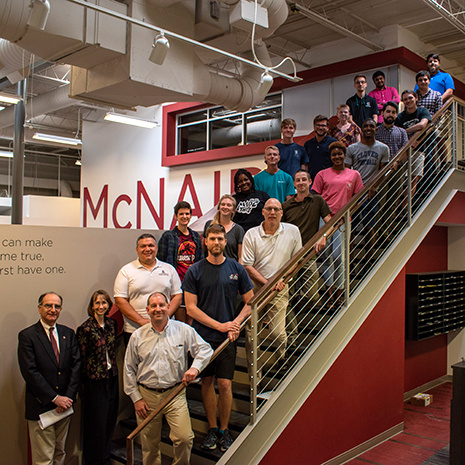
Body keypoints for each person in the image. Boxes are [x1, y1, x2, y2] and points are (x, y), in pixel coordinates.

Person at [183, 223, 254, 452]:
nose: (216, 243)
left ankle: (224, 431)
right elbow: (191, 309)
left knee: (225, 384)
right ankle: (212, 429)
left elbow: (250, 301)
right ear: (205, 241)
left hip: (228, 339)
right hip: (202, 338)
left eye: (220, 239)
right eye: (212, 239)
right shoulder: (195, 270)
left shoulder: (236, 268)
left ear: (225, 242)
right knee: (206, 382)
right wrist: (220, 325)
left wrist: (235, 324)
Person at [124, 292, 213, 465]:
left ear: (168, 307)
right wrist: (136, 399)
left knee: (184, 438)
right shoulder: (137, 336)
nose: (158, 309)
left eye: (162, 305)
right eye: (154, 306)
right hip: (146, 397)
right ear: (147, 310)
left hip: (175, 394)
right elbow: (128, 369)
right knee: (149, 445)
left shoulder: (183, 330)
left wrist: (195, 368)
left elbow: (205, 349)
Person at [18, 292, 81, 465]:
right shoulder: (27, 336)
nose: (53, 310)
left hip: (65, 407)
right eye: (48, 305)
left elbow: (76, 367)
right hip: (42, 407)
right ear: (39, 308)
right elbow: (30, 372)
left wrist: (67, 397)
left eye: (57, 306)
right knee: (43, 458)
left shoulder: (68, 334)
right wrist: (55, 399)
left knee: (60, 453)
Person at [242, 198, 302, 375]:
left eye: (276, 209)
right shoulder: (251, 234)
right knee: (251, 333)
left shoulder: (292, 231)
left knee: (277, 333)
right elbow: (247, 264)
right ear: (263, 211)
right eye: (268, 209)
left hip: (279, 288)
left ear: (282, 213)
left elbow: (296, 260)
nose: (272, 212)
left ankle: (282, 357)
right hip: (255, 289)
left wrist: (283, 279)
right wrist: (267, 282)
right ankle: (256, 372)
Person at [313, 142, 364, 301]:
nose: (337, 157)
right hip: (324, 221)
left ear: (345, 155)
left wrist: (347, 215)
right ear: (330, 157)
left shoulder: (354, 175)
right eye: (334, 154)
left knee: (339, 256)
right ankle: (329, 291)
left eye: (340, 154)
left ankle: (340, 290)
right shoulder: (322, 174)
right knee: (326, 256)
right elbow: (315, 199)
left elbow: (358, 200)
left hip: (343, 220)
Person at [282, 170, 331, 330]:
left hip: (308, 253)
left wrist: (323, 235)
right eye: (298, 180)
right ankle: (292, 331)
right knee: (284, 294)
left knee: (312, 295)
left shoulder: (317, 200)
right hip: (288, 256)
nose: (301, 182)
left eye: (304, 179)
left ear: (310, 182)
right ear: (294, 184)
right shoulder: (286, 206)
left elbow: (330, 222)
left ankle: (294, 303)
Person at [114, 233, 182, 343]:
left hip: (166, 329)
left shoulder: (169, 269)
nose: (147, 249)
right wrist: (141, 320)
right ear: (137, 249)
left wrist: (163, 317)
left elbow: (177, 297)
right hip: (135, 330)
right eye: (143, 246)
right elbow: (120, 300)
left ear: (156, 248)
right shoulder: (126, 271)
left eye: (151, 245)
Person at [77, 290, 118, 465]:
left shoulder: (112, 324)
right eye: (97, 303)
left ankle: (106, 455)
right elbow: (81, 357)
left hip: (112, 377)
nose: (101, 306)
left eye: (104, 303)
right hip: (94, 381)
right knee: (96, 423)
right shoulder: (85, 328)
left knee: (110, 418)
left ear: (108, 305)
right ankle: (95, 460)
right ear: (92, 306)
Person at [345, 119, 389, 250]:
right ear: (361, 129)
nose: (368, 128)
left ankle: (370, 259)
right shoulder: (352, 148)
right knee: (351, 227)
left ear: (376, 129)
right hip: (355, 194)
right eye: (365, 126)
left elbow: (383, 171)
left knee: (370, 226)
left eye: (371, 126)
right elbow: (347, 171)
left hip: (372, 193)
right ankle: (350, 260)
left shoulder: (383, 148)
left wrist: (374, 187)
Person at [395, 90, 431, 196]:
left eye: (410, 98)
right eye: (405, 99)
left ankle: (405, 208)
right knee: (400, 180)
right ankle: (400, 208)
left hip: (419, 149)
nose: (408, 101)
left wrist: (405, 131)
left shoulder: (422, 111)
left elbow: (422, 125)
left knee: (414, 179)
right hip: (405, 151)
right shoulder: (400, 117)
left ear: (416, 98)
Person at [157, 201, 204, 282]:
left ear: (190, 216)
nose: (184, 216)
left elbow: (200, 261)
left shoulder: (196, 236)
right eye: (181, 214)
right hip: (174, 282)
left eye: (187, 214)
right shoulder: (168, 236)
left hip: (192, 281)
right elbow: (160, 261)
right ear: (176, 216)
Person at [202, 194, 245, 262]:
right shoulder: (209, 225)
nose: (225, 207)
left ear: (233, 210)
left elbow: (240, 258)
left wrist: (239, 271)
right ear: (218, 208)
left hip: (231, 269)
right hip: (211, 267)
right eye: (223, 204)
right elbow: (203, 251)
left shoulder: (238, 229)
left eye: (229, 205)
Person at [232, 168, 270, 233]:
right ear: (237, 184)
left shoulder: (262, 195)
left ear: (251, 180)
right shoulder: (234, 199)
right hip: (241, 235)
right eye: (240, 181)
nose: (244, 183)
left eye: (246, 179)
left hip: (261, 233)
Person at [304, 115, 337, 182]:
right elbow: (306, 164)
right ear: (314, 127)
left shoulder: (334, 143)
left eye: (323, 126)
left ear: (327, 128)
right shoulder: (308, 144)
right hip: (312, 181)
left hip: (329, 180)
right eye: (318, 125)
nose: (320, 128)